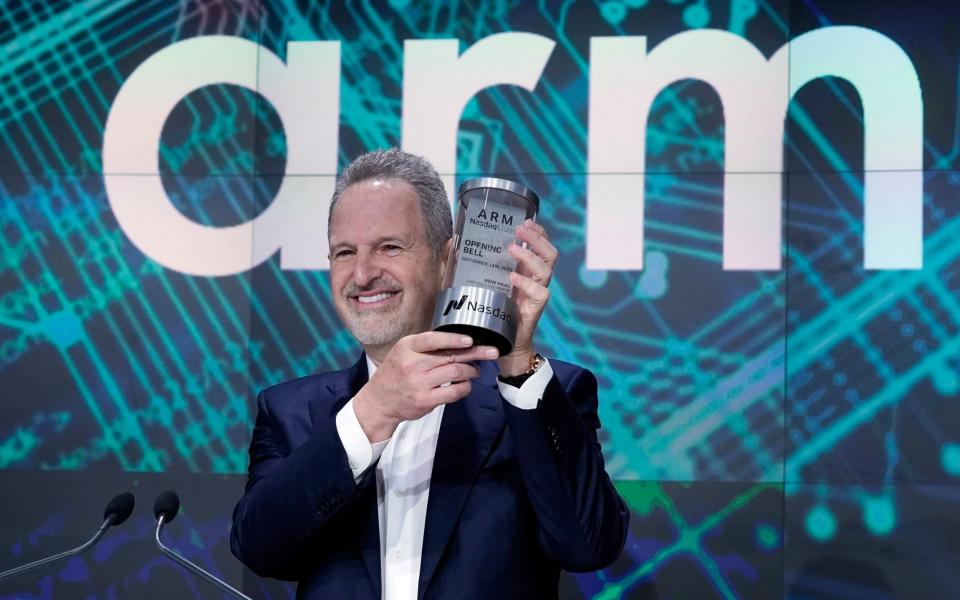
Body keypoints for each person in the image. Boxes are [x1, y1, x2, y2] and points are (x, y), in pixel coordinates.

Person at [230, 148, 628, 599]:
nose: (362, 274)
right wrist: (372, 412)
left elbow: (588, 545)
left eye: (389, 247)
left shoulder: (536, 397)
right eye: (344, 252)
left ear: (447, 261)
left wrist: (517, 362)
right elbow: (259, 550)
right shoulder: (290, 411)